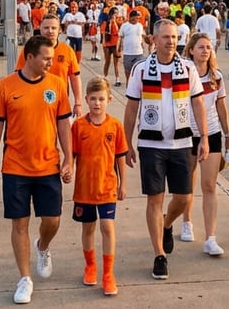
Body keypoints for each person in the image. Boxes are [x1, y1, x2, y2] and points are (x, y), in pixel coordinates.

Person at [0, 35, 74, 305]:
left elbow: (64, 125)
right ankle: (24, 278)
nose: (50, 62)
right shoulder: (5, 87)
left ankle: (42, 247)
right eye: (46, 57)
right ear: (29, 56)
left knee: (52, 220)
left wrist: (68, 158)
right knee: (19, 224)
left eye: (52, 57)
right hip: (15, 168)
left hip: (48, 166)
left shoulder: (57, 85)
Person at [122, 20, 209, 281]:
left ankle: (167, 224)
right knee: (154, 199)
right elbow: (130, 109)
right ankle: (159, 255)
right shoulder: (141, 69)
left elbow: (198, 104)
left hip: (182, 142)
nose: (171, 41)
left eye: (174, 37)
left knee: (183, 198)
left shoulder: (188, 68)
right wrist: (126, 144)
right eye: (165, 37)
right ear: (153, 40)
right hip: (151, 144)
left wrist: (203, 137)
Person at [70, 77, 127, 296]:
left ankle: (108, 273)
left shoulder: (114, 126)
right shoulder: (79, 126)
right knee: (88, 228)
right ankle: (90, 266)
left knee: (107, 227)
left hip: (107, 187)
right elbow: (72, 155)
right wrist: (68, 170)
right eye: (93, 99)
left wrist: (123, 184)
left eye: (101, 99)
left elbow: (120, 157)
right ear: (86, 99)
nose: (97, 103)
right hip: (84, 188)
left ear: (109, 100)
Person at [178, 32, 229, 255]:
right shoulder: (182, 74)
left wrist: (228, 134)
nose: (205, 51)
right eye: (201, 47)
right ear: (191, 50)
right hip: (187, 133)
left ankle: (211, 237)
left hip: (211, 134)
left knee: (209, 185)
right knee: (187, 183)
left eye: (208, 47)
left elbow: (221, 107)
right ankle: (186, 221)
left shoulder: (216, 77)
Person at [17, 13, 84, 116]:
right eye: (46, 28)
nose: (50, 31)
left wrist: (78, 103)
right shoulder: (28, 50)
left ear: (59, 30)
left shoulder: (67, 51)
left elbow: (75, 78)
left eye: (53, 28)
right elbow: (19, 76)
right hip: (34, 102)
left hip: (59, 103)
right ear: (40, 29)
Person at [118, 10, 147, 88]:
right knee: (128, 74)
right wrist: (118, 49)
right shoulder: (124, 26)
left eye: (137, 18)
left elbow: (143, 36)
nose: (136, 20)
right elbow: (120, 38)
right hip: (128, 53)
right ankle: (129, 91)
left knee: (138, 74)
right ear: (130, 17)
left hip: (138, 53)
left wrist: (145, 43)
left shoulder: (140, 26)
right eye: (134, 18)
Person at [101, 9, 123, 86]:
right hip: (107, 44)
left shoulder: (119, 22)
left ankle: (117, 79)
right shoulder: (106, 22)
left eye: (117, 13)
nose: (116, 15)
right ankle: (105, 77)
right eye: (115, 13)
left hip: (115, 44)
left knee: (116, 63)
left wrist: (114, 22)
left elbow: (118, 32)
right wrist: (103, 44)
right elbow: (104, 34)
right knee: (107, 61)